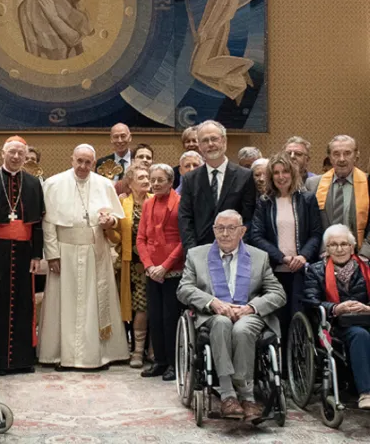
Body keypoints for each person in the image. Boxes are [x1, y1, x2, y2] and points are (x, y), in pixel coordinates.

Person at [177, 210, 286, 421]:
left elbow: (278, 293)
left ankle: (247, 396)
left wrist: (252, 307)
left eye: (231, 228)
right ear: (214, 230)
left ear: (242, 231)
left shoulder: (259, 257)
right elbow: (184, 289)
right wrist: (212, 302)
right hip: (213, 315)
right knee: (222, 323)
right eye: (220, 228)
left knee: (242, 329)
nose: (225, 234)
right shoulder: (197, 255)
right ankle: (228, 395)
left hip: (247, 314)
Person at [38, 144, 129, 369]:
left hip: (95, 251)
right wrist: (52, 255)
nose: (83, 166)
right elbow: (48, 224)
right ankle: (61, 355)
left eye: (88, 162)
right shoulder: (53, 183)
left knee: (94, 302)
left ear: (94, 164)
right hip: (64, 251)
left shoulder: (105, 184)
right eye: (79, 161)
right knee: (63, 302)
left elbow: (118, 219)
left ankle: (98, 355)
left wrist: (111, 222)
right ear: (72, 159)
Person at [0, 139, 44, 374]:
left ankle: (22, 360)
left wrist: (37, 255)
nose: (16, 157)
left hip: (25, 252)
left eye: (21, 153)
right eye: (12, 152)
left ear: (26, 156)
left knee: (24, 305)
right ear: (3, 152)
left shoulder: (34, 183)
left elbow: (37, 225)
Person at [251, 152, 322, 346]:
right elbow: (256, 236)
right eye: (276, 173)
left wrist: (303, 256)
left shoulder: (307, 199)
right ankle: (281, 368)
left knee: (299, 316)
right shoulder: (265, 202)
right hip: (275, 271)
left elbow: (316, 233)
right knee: (278, 319)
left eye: (285, 172)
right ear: (271, 176)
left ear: (293, 173)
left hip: (301, 270)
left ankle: (301, 365)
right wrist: (282, 258)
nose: (281, 176)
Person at [303, 224, 370, 409]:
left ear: (352, 246)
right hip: (336, 325)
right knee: (360, 335)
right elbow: (311, 301)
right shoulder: (316, 270)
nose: (339, 249)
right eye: (333, 245)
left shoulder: (366, 268)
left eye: (344, 244)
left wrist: (366, 308)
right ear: (327, 248)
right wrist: (336, 308)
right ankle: (366, 392)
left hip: (366, 317)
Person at [136, 164, 184, 380]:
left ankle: (174, 364)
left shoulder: (181, 203)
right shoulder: (148, 203)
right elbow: (141, 238)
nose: (155, 184)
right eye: (152, 180)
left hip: (173, 270)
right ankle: (160, 361)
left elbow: (183, 240)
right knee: (154, 318)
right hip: (152, 271)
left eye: (160, 180)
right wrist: (148, 266)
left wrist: (165, 266)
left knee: (170, 318)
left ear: (171, 182)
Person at [178, 120, 256, 251]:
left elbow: (249, 217)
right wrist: (193, 252)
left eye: (214, 139)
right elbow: (185, 219)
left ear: (224, 140)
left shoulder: (245, 176)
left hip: (237, 251)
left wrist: (238, 247)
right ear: (200, 146)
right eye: (205, 140)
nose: (210, 144)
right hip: (200, 251)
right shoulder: (189, 179)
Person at [105, 164, 152, 368]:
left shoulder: (155, 200)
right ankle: (132, 349)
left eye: (147, 176)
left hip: (151, 263)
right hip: (128, 264)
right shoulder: (122, 202)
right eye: (140, 177)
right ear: (130, 183)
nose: (145, 179)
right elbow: (116, 236)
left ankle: (144, 350)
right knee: (130, 308)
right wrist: (108, 228)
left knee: (146, 307)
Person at [305, 135, 370, 258]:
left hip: (361, 257)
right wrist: (321, 251)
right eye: (336, 154)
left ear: (356, 155)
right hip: (324, 257)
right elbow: (309, 225)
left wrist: (365, 255)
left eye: (347, 153)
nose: (342, 159)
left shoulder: (368, 183)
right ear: (329, 157)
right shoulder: (313, 184)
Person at [18, 0, 92, 60]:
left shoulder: (25, 6)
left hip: (46, 68)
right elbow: (77, 39)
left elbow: (32, 53)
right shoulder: (60, 3)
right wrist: (54, 18)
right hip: (68, 66)